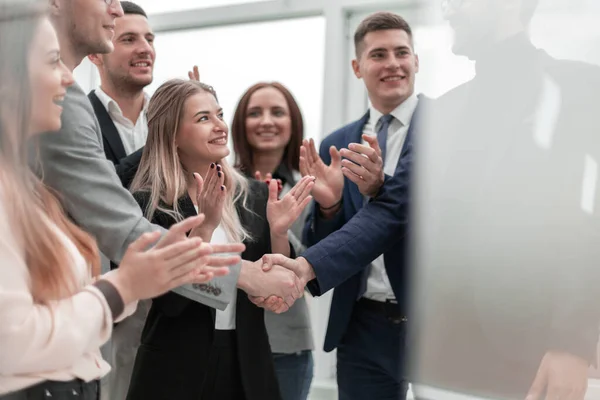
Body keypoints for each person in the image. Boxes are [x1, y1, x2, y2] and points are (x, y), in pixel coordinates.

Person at [263, 1, 600, 399]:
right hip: (458, 356)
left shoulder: (580, 86)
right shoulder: (450, 112)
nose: (449, 11)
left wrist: (572, 341)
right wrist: (305, 267)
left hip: (538, 350)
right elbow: (394, 210)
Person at [0, 2, 242, 398]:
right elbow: (15, 337)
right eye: (52, 61)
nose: (67, 79)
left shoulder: (26, 186)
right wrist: (123, 286)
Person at [126, 79, 313, 400]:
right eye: (203, 118)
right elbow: (171, 303)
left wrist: (279, 232)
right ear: (172, 135)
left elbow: (275, 282)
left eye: (219, 114)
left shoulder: (251, 195)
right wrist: (206, 227)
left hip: (247, 365)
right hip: (174, 369)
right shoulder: (149, 203)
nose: (219, 126)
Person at [301, 11, 423, 400]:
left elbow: (414, 214)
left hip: (436, 320)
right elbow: (322, 239)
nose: (392, 64)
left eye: (401, 52)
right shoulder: (336, 145)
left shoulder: (448, 125)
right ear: (357, 66)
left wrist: (377, 189)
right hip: (361, 325)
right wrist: (330, 207)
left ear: (416, 61)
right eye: (378, 54)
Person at [86, 2, 154, 398]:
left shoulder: (167, 118)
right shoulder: (74, 115)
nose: (144, 47)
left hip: (170, 302)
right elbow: (94, 191)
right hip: (106, 297)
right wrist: (161, 139)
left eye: (149, 38)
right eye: (128, 38)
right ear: (96, 53)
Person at [230, 81, 314, 400]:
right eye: (255, 113)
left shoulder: (314, 189)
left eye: (277, 112)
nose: (266, 121)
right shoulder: (221, 183)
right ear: (240, 124)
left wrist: (277, 221)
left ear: (292, 122)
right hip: (228, 340)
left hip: (286, 347)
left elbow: (312, 266)